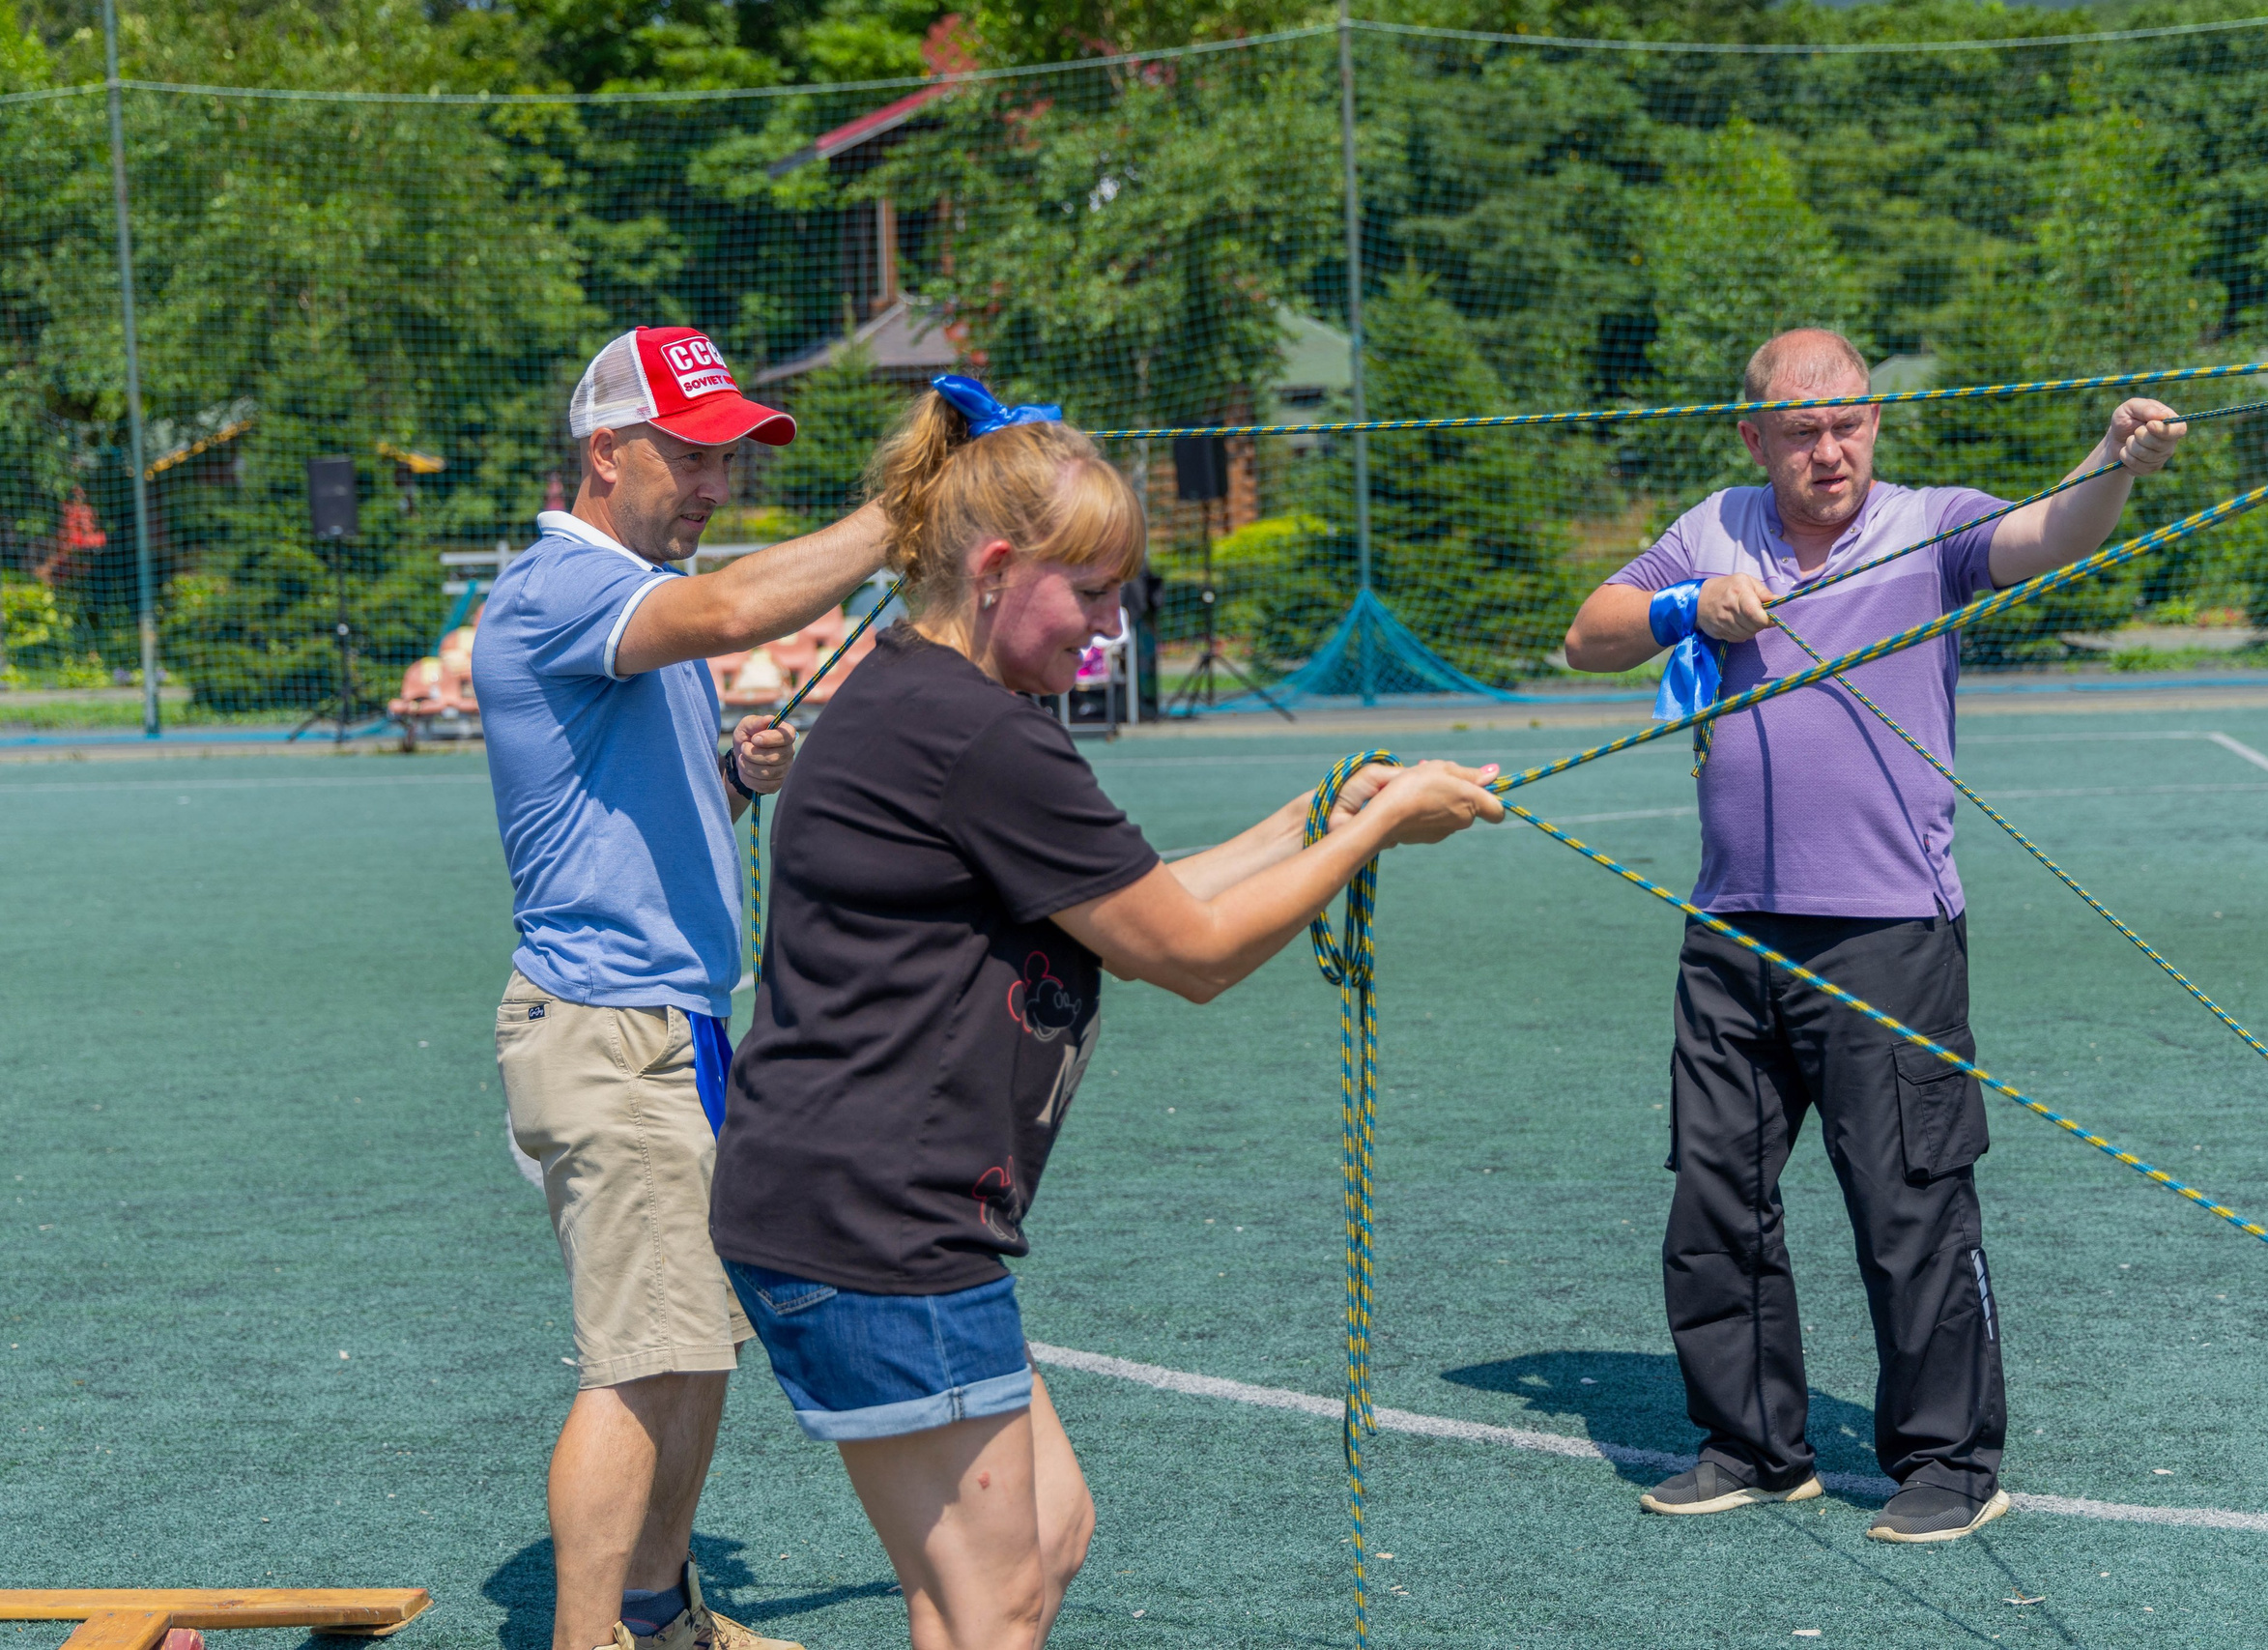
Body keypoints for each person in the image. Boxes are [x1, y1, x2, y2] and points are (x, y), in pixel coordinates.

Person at [708, 378, 1503, 1650]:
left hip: (847, 1211)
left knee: (1041, 1537)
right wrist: (1377, 832)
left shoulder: (930, 697)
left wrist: (1319, 816)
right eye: (1094, 592)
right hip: (872, 1224)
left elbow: (1135, 907)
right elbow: (1190, 954)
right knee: (998, 1592)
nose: (1111, 626)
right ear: (998, 567)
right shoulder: (977, 735)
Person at [1564, 328, 2186, 1544]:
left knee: (1909, 1206)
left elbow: (2046, 535)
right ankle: (1751, 1444)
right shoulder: (1713, 527)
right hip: (1732, 928)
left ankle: (1950, 1464)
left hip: (1888, 933)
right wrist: (1690, 605)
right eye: (1801, 431)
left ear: (1874, 426)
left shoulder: (1926, 523)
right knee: (1714, 1200)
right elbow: (1589, 632)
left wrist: (2111, 457)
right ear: (1754, 438)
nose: (1829, 450)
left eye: (1847, 423)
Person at [474, 325, 889, 1650]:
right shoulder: (564, 585)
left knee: (694, 1342)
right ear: (608, 451)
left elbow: (607, 805)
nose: (718, 484)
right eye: (693, 454)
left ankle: (657, 1618)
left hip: (675, 1026)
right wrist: (912, 507)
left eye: (731, 457)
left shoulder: (624, 592)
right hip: (609, 1027)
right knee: (642, 1355)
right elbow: (732, 610)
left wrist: (727, 775)